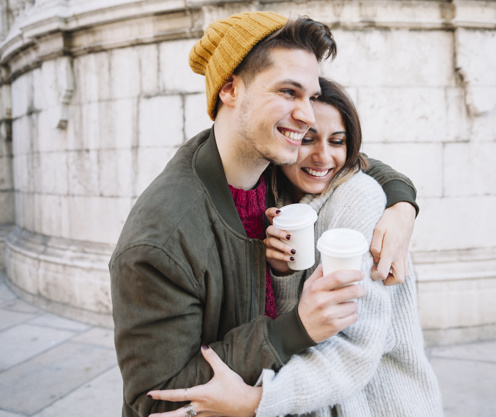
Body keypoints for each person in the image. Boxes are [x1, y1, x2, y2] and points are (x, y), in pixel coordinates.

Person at [109, 11, 419, 417]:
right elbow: (156, 396)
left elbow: (353, 164)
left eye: (310, 96)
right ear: (230, 90)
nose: (308, 115)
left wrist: (401, 205)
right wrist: (294, 330)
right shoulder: (162, 239)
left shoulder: (274, 160)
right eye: (289, 92)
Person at [147, 78, 443, 416]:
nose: (323, 156)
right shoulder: (281, 197)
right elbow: (303, 324)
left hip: (380, 402)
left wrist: (255, 403)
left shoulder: (357, 197)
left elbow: (352, 344)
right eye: (307, 139)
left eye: (337, 141)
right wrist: (284, 272)